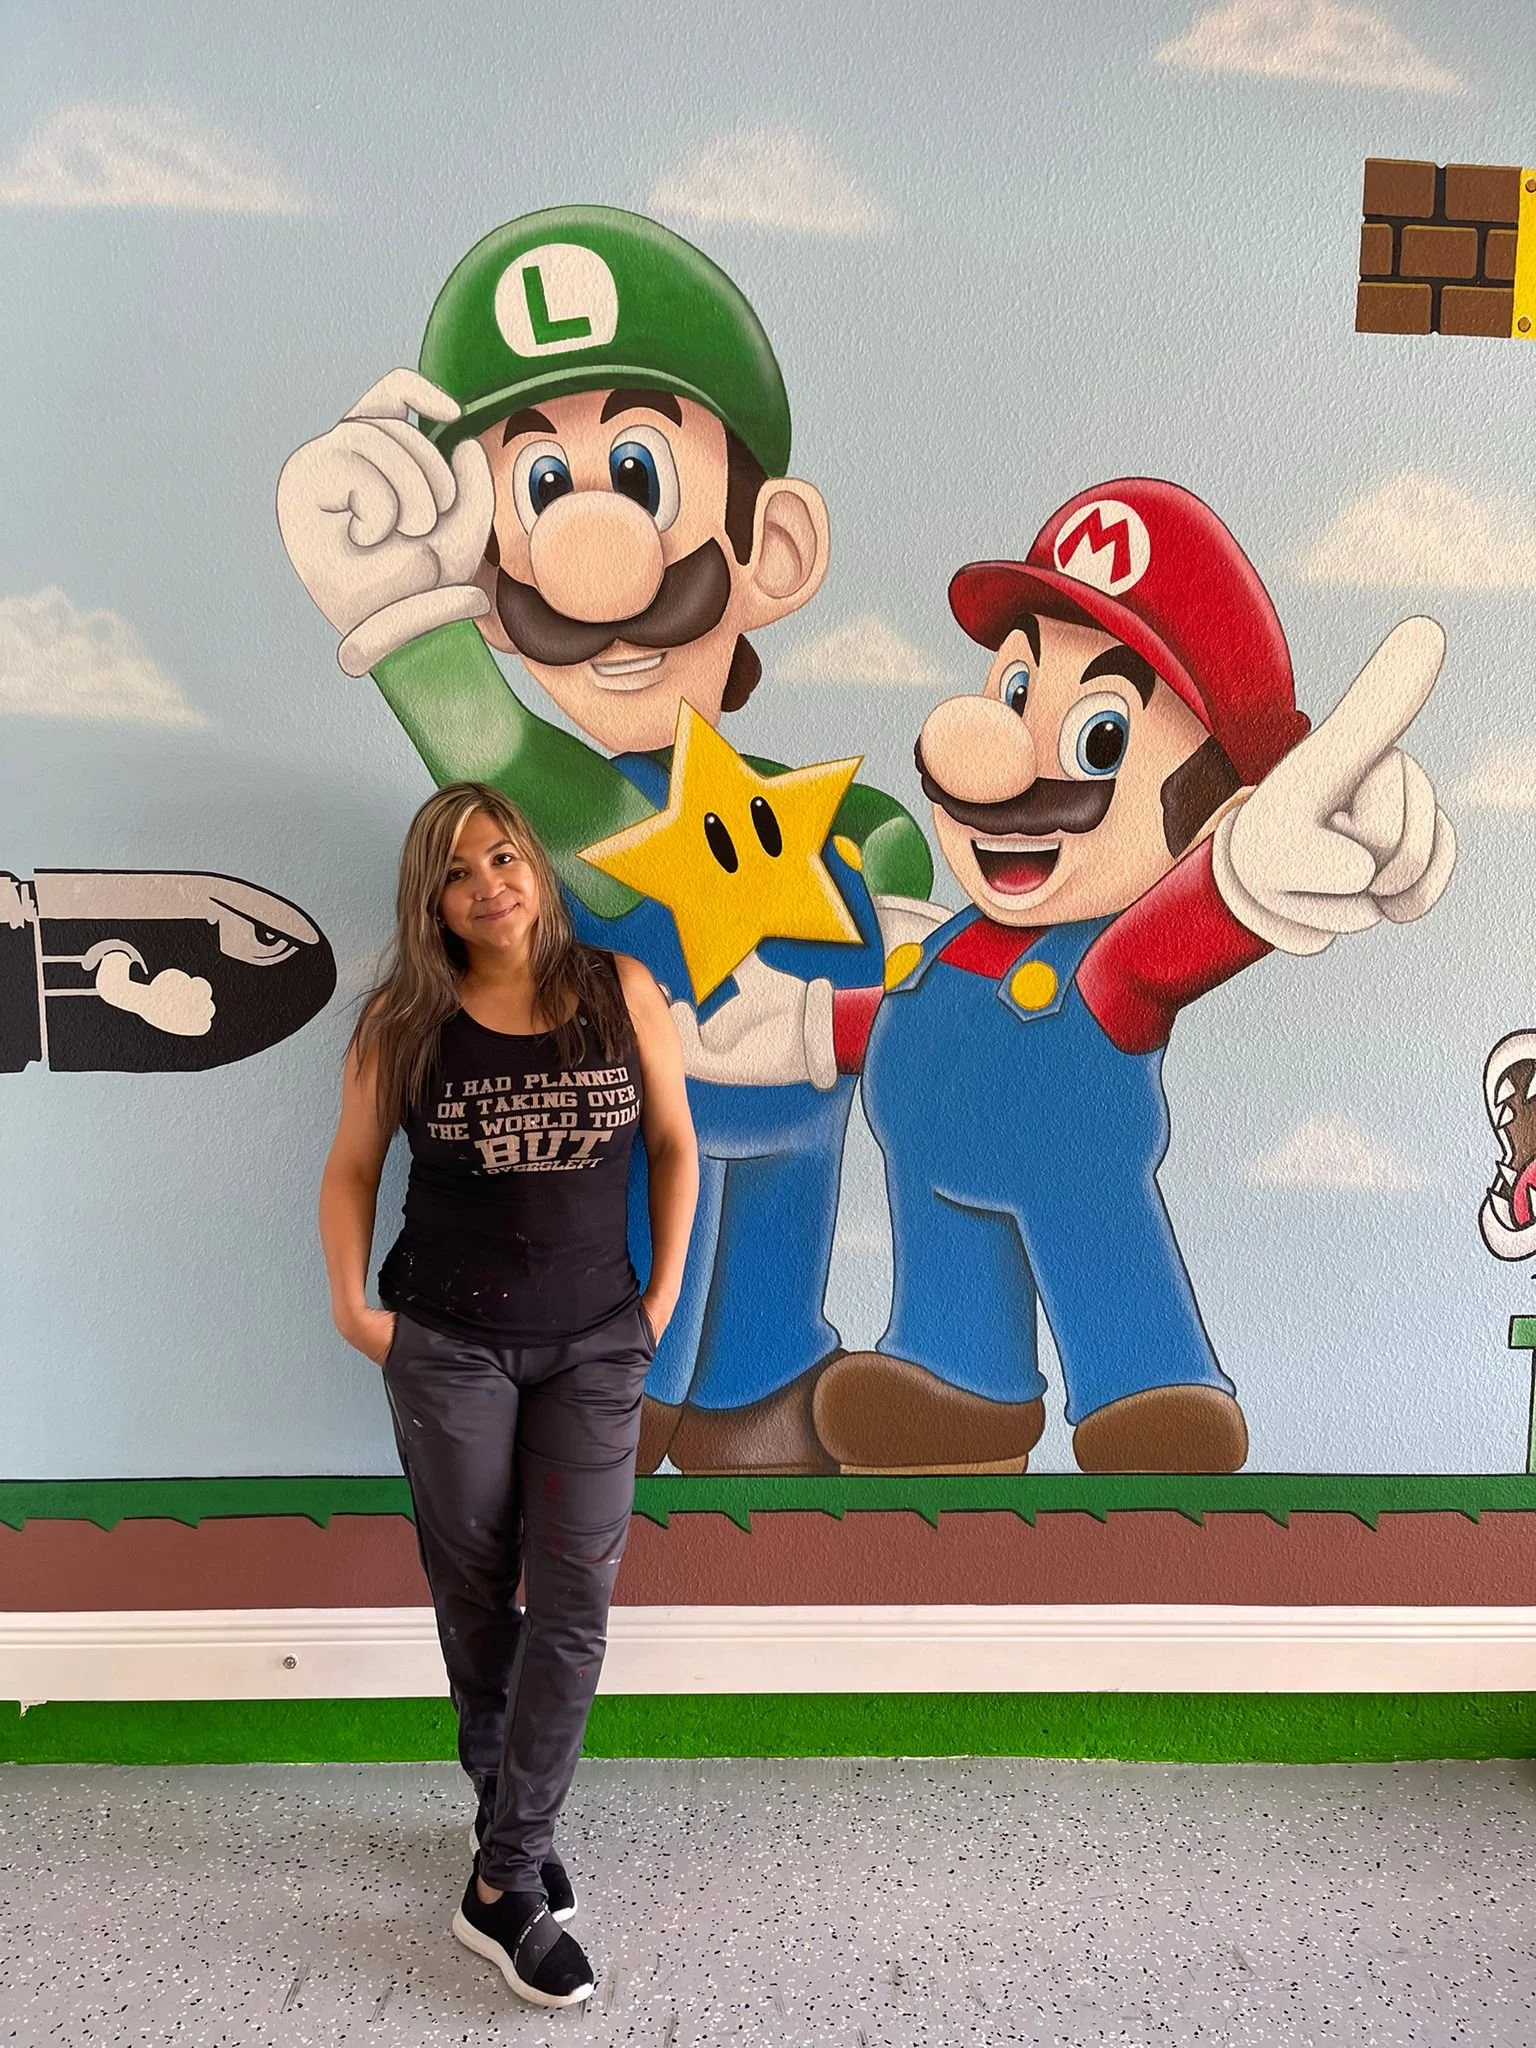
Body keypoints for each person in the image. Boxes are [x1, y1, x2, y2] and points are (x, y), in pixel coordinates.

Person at [318, 780, 698, 2009]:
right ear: (432, 900)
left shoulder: (620, 989)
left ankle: (504, 1869)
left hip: (596, 1342)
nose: (488, 882)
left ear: (534, 862)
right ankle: (514, 1851)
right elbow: (351, 1168)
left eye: (501, 855)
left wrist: (660, 1301)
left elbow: (674, 1143)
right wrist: (354, 1310)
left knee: (575, 1599)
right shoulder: (405, 1021)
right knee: (477, 1592)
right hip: (448, 1345)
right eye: (456, 870)